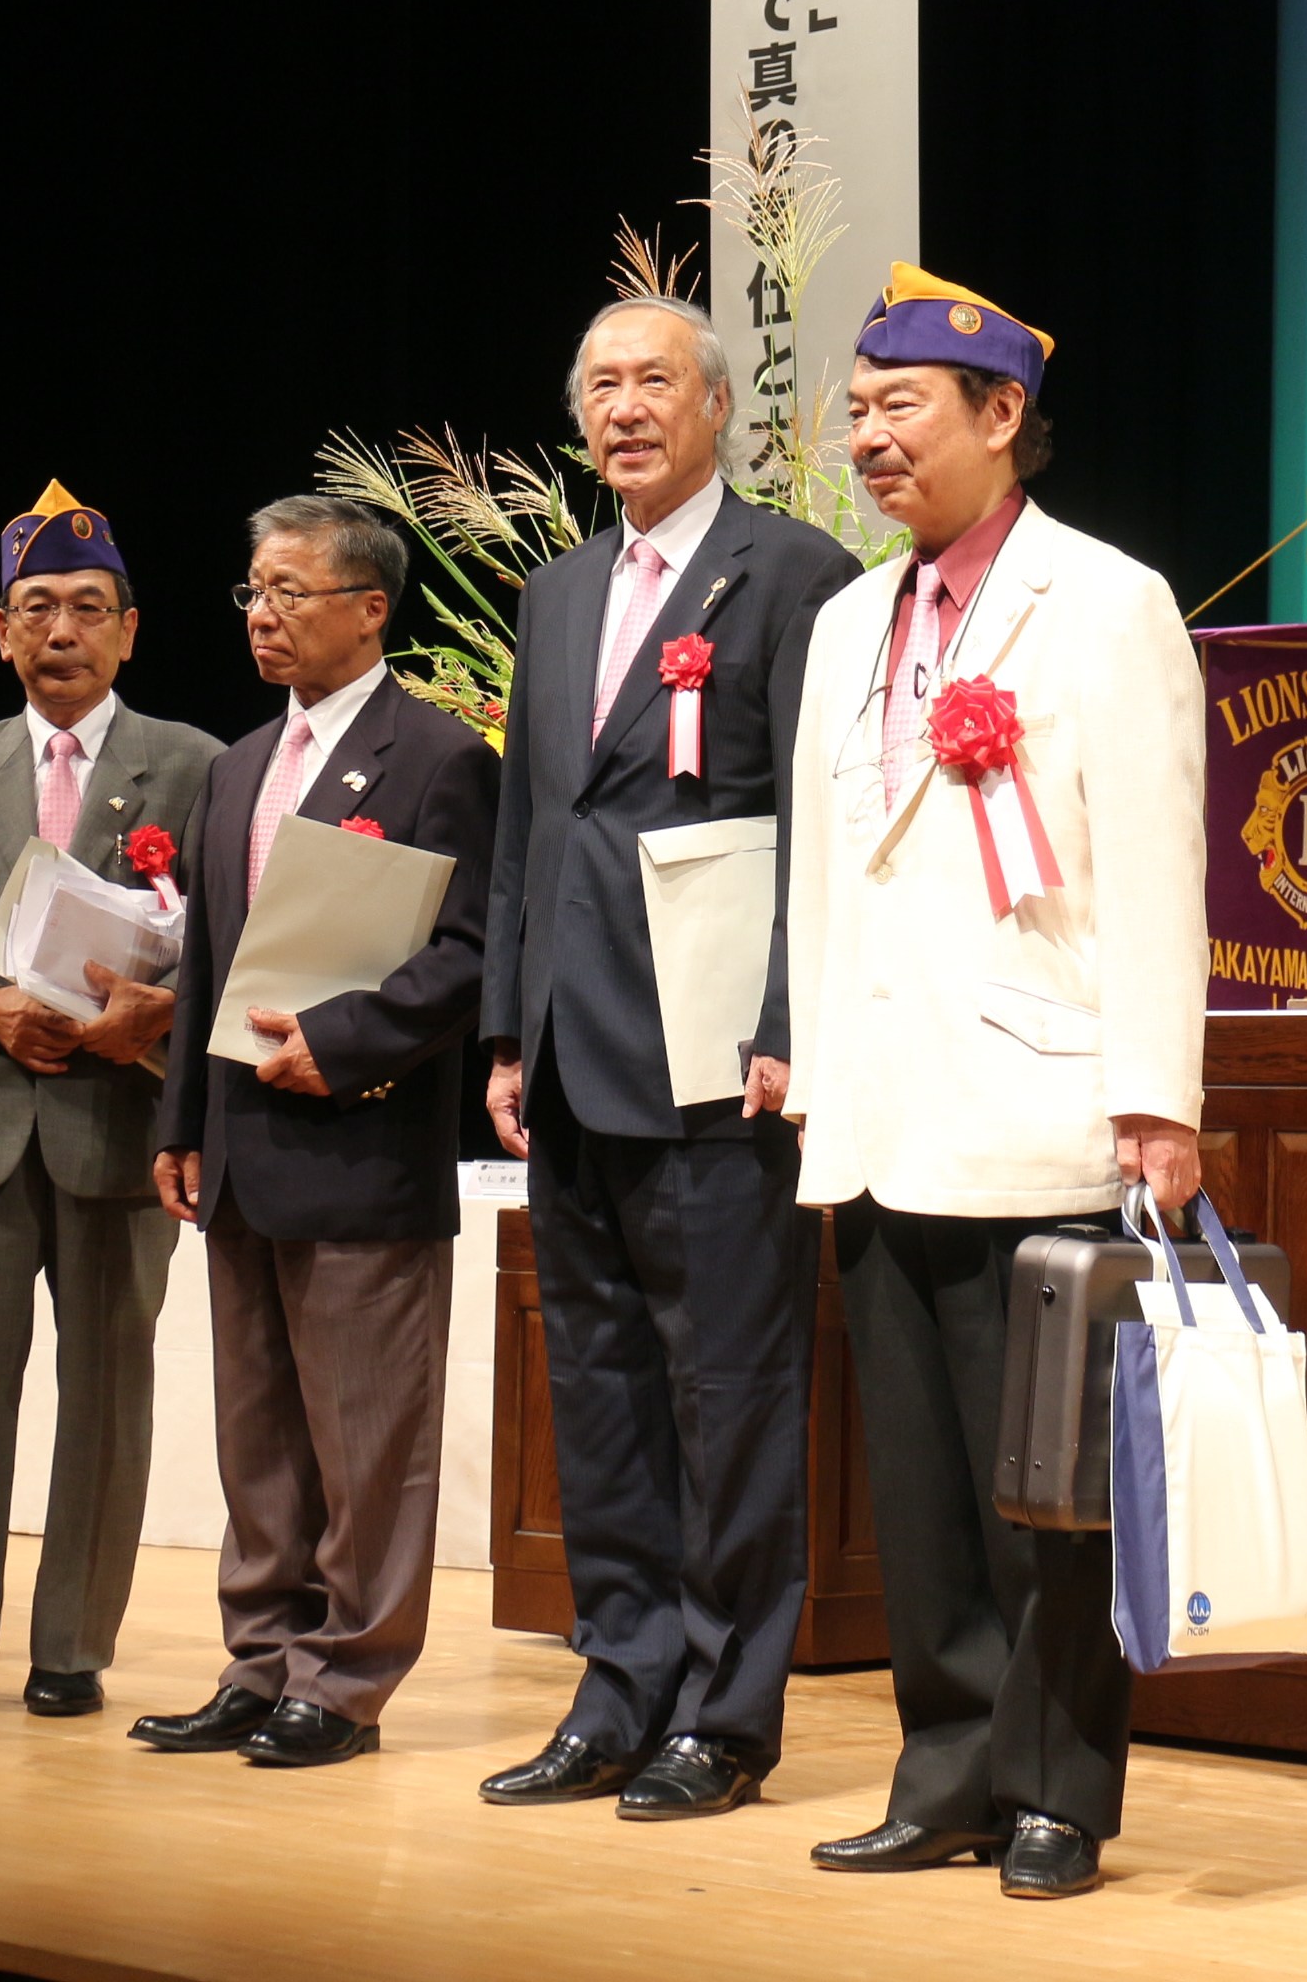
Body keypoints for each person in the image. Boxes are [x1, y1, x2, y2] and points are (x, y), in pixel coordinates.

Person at [782, 264, 1208, 1899]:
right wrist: (814, 1072)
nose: (869, 438)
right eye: (857, 410)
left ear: (1002, 413)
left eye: (901, 406)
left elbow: (1159, 869)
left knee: (1049, 1492)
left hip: (1039, 1107)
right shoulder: (845, 621)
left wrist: (1159, 1095)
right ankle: (947, 1772)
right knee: (920, 1491)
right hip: (880, 1114)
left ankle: (1055, 1792)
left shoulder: (1102, 600)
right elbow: (826, 872)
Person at [476, 296, 859, 1819]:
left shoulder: (794, 573)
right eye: (601, 387)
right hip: (572, 1052)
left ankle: (728, 1712)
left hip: (715, 1058)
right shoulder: (560, 592)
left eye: (653, 382)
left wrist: (787, 1018)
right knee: (601, 1388)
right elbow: (532, 822)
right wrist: (506, 1028)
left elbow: (820, 820)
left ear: (715, 407)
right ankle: (619, 1690)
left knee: (731, 1390)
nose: (624, 408)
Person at [138, 497, 498, 1767]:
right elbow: (207, 960)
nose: (263, 615)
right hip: (241, 1150)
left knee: (367, 1441)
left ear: (369, 609)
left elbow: (469, 953)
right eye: (253, 591)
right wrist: (182, 1120)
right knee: (260, 1440)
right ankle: (260, 1662)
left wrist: (340, 1044)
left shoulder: (439, 757)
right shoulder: (237, 764)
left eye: (291, 591)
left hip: (361, 1145)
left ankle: (344, 1682)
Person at [0, 481, 217, 1718]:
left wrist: (154, 1015)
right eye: (37, 610)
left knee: (108, 1400)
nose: (61, 630)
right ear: (2, 634)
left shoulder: (197, 765)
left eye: (87, 608)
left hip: (118, 1127)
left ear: (130, 629)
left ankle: (71, 1651)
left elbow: (224, 941)